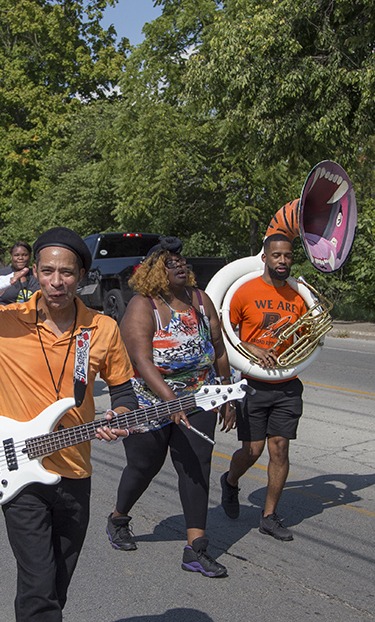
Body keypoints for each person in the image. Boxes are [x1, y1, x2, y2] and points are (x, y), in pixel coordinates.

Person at [0, 227, 137, 622]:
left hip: (75, 473)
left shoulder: (101, 329)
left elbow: (124, 395)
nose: (57, 282)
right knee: (38, 587)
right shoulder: (5, 321)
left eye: (67, 272)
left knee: (56, 586)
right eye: (49, 271)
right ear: (34, 271)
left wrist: (119, 419)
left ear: (82, 275)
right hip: (20, 474)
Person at [106, 236, 234, 578]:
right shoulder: (142, 306)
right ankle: (119, 517)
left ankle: (196, 549)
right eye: (170, 262)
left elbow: (218, 349)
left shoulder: (201, 300)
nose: (180, 266)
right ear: (153, 272)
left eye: (181, 261)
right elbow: (142, 361)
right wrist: (170, 401)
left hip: (197, 397)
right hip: (148, 401)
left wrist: (226, 393)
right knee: (144, 465)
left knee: (196, 465)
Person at [219, 233, 308, 542]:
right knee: (252, 450)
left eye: (287, 255)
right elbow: (224, 336)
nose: (282, 261)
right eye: (276, 255)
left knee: (280, 448)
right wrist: (249, 347)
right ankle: (230, 482)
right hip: (252, 382)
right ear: (266, 258)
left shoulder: (299, 296)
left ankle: (269, 516)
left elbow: (310, 338)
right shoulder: (244, 291)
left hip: (287, 384)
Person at [0, 241, 40, 316]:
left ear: (30, 256)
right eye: (16, 255)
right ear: (11, 256)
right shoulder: (1, 275)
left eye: (24, 255)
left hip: (31, 320)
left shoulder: (37, 275)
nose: (20, 258)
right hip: (4, 320)